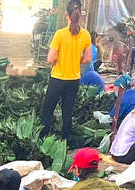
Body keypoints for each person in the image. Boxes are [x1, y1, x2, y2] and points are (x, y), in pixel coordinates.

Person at [40, 0, 92, 140]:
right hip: (73, 81)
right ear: (80, 14)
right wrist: (75, 60)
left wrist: (60, 59)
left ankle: (43, 138)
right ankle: (65, 141)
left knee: (48, 110)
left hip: (57, 79)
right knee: (67, 112)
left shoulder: (60, 34)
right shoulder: (86, 35)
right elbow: (88, 59)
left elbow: (50, 58)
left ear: (66, 14)